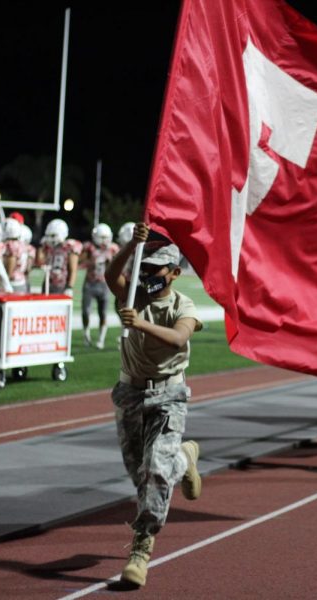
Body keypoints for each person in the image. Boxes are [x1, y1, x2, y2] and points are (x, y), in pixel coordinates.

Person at [104, 222, 204, 587]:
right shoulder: (133, 294)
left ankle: (141, 548)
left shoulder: (184, 305)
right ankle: (186, 458)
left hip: (169, 396)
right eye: (143, 268)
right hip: (130, 393)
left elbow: (179, 338)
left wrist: (141, 325)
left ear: (175, 272)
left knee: (155, 475)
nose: (147, 274)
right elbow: (110, 274)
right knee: (139, 474)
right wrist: (132, 244)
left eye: (155, 268)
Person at [80, 223, 119, 348]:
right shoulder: (89, 247)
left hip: (104, 284)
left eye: (105, 237)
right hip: (90, 283)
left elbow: (118, 266)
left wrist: (110, 262)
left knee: (103, 313)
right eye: (101, 237)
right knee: (85, 311)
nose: (103, 240)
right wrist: (91, 261)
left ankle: (101, 339)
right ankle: (86, 333)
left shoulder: (113, 248)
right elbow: (80, 261)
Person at [37, 219, 81, 295]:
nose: (50, 238)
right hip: (47, 283)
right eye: (48, 235)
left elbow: (73, 269)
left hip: (62, 285)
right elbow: (39, 262)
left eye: (53, 235)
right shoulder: (48, 247)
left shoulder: (69, 247)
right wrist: (41, 247)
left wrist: (69, 287)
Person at [2, 218, 29, 294]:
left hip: (12, 282)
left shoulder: (10, 245)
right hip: (21, 280)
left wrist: (7, 279)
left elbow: (12, 261)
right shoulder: (22, 244)